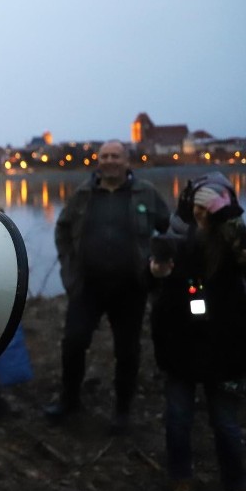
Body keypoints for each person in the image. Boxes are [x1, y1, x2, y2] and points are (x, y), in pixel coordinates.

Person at [149, 173, 246, 491]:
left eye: (208, 210)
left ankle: (238, 489)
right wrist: (156, 272)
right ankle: (181, 484)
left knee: (227, 425)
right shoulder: (175, 238)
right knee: (178, 421)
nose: (200, 215)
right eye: (196, 208)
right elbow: (157, 287)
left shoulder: (237, 242)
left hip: (225, 349)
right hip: (181, 347)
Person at [45, 140, 170, 432]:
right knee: (74, 342)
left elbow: (169, 229)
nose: (110, 161)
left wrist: (159, 265)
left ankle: (123, 410)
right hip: (87, 286)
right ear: (97, 161)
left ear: (127, 161)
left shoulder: (146, 193)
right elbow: (62, 231)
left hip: (131, 286)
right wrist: (69, 271)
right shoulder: (83, 194)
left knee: (127, 350)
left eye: (116, 156)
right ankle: (69, 400)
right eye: (105, 156)